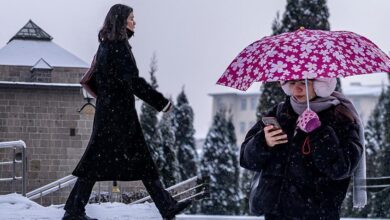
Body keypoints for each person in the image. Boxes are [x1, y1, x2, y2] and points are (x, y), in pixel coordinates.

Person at [63, 4, 191, 220]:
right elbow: (133, 82)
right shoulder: (117, 47)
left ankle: (165, 206)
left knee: (109, 162)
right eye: (132, 18)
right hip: (118, 116)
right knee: (102, 162)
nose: (135, 22)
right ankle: (74, 211)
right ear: (121, 21)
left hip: (111, 113)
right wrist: (161, 103)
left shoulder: (107, 45)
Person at [240, 78, 365, 220]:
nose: (296, 89)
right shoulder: (279, 113)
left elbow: (341, 168)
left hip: (317, 215)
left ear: (321, 86)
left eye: (304, 83)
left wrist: (318, 132)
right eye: (292, 83)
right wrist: (263, 142)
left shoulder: (341, 117)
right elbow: (246, 159)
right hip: (274, 214)